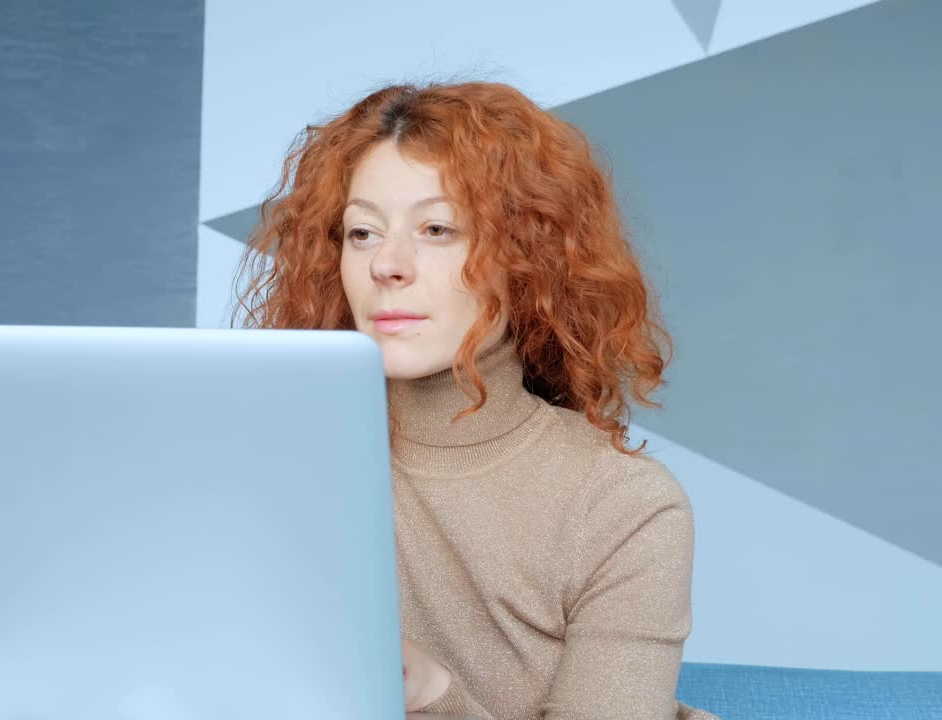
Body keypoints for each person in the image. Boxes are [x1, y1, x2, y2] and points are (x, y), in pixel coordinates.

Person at [233, 81, 718, 720]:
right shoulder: (274, 472)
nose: (388, 265)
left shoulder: (622, 507)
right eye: (362, 233)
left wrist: (430, 695)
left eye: (437, 228)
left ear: (527, 260)